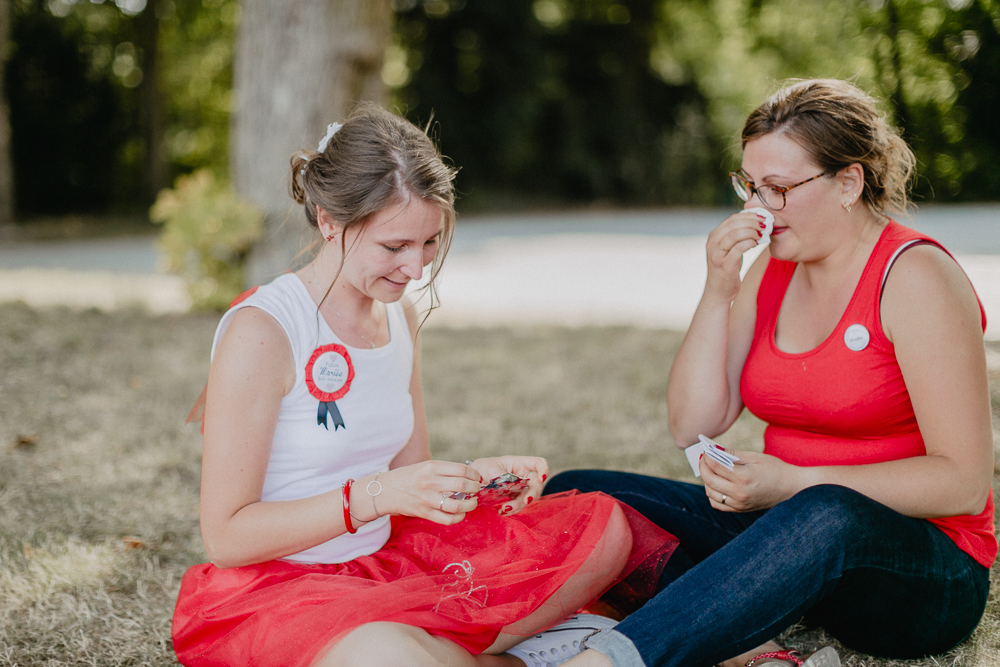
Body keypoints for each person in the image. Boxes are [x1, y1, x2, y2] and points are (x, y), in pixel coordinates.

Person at [171, 104, 676, 667]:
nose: (416, 269)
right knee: (392, 657)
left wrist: (475, 482)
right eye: (394, 247)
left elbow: (412, 478)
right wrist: (372, 496)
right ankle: (516, 654)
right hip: (284, 586)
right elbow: (227, 536)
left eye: (429, 243)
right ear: (328, 220)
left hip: (392, 561)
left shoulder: (398, 315)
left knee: (605, 531)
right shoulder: (263, 330)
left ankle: (461, 649)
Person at [544, 79, 995, 667]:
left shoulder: (915, 278)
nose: (759, 209)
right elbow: (693, 423)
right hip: (784, 535)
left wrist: (795, 482)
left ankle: (610, 660)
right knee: (579, 492)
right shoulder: (778, 266)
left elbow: (962, 482)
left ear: (848, 183)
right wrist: (718, 290)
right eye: (751, 187)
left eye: (779, 189)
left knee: (828, 511)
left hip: (921, 573)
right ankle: (753, 649)